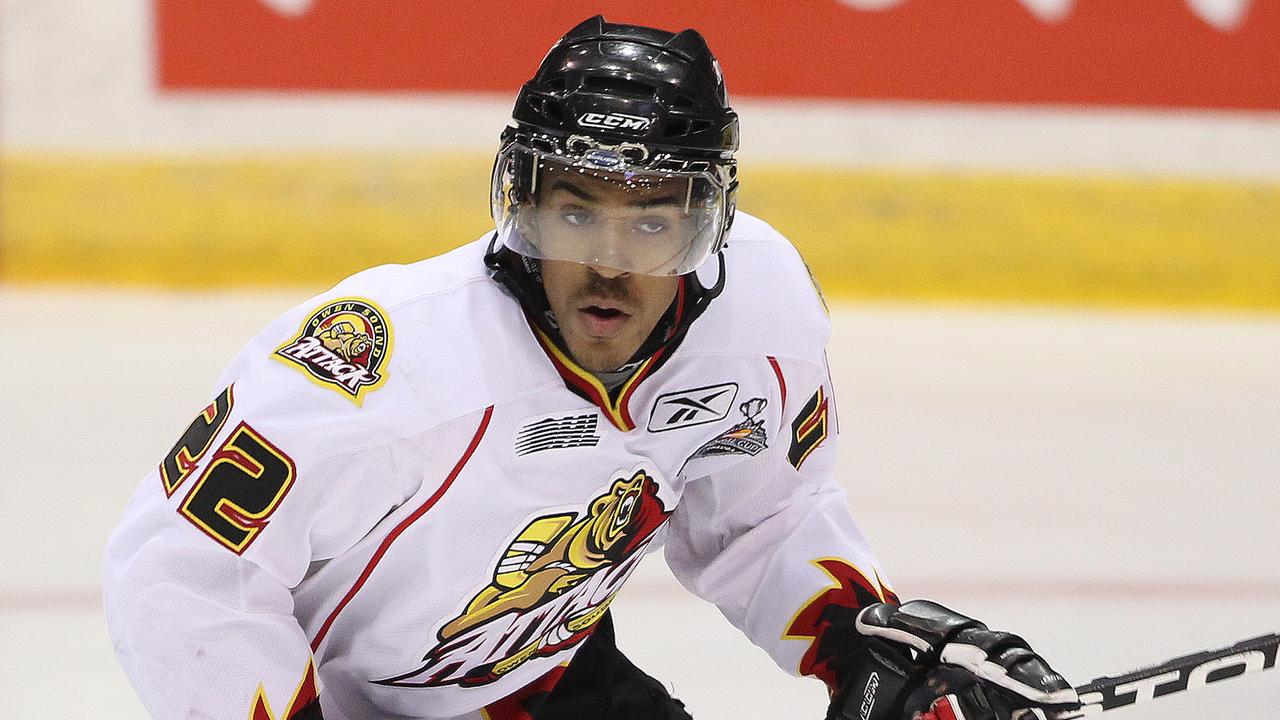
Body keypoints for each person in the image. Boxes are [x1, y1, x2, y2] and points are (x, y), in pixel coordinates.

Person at [104, 16, 1080, 720]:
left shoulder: (762, 314)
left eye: (651, 221)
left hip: (538, 677)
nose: (610, 264)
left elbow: (761, 516)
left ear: (706, 222)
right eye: (575, 213)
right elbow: (180, 575)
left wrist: (857, 639)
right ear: (520, 206)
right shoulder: (382, 365)